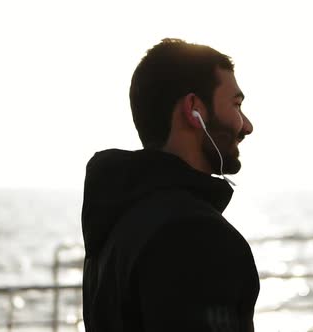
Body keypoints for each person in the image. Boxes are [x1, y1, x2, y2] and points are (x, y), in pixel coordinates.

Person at [81, 38, 259, 331]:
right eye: (236, 104)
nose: (247, 125)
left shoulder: (116, 223)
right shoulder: (198, 235)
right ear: (194, 110)